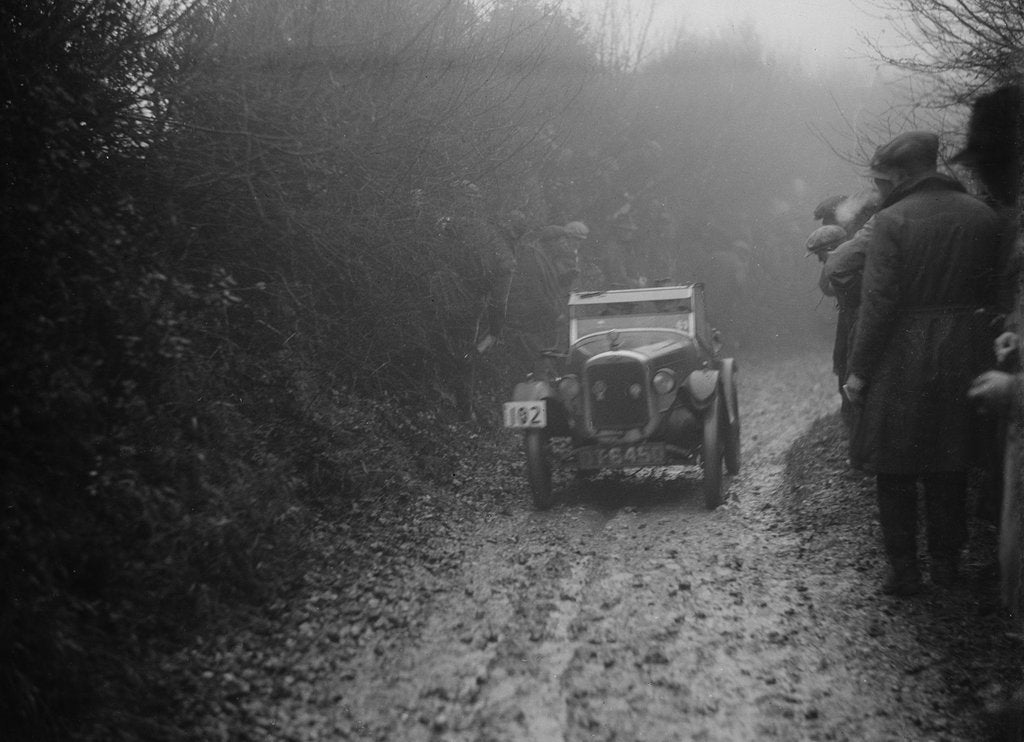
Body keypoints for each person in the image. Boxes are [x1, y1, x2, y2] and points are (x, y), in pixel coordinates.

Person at [842, 131, 1003, 596]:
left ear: (904, 175)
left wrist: (858, 371)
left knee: (894, 466)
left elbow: (878, 304)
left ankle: (904, 571)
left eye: (882, 181)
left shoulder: (892, 221)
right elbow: (995, 292)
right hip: (967, 352)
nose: (879, 191)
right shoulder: (983, 216)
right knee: (949, 461)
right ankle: (947, 567)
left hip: (902, 353)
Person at [509, 221, 589, 376]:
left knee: (551, 357)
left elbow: (550, 285)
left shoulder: (546, 257)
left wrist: (566, 278)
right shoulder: (532, 258)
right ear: (551, 242)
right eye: (561, 241)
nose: (564, 245)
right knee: (542, 360)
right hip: (531, 322)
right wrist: (556, 314)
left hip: (543, 320)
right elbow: (535, 293)